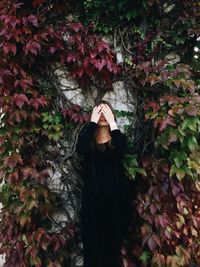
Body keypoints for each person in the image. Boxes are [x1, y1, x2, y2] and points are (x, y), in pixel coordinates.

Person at [76, 100, 131, 267]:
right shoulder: (88, 140)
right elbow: (81, 149)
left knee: (111, 252)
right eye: (99, 112)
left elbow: (122, 149)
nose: (102, 116)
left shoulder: (117, 140)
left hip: (114, 205)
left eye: (105, 112)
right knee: (91, 251)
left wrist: (113, 123)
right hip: (92, 205)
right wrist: (92, 123)